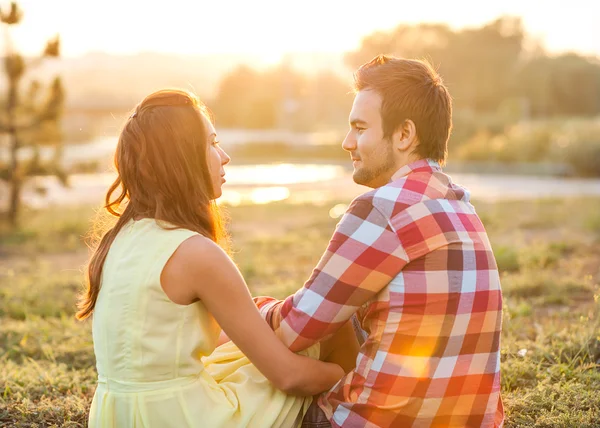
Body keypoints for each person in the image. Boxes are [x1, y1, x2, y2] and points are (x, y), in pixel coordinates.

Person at [76, 89, 359, 428]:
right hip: (185, 417)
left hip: (116, 415)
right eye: (211, 143)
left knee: (246, 355)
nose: (223, 156)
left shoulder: (118, 240)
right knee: (331, 331)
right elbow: (289, 377)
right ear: (181, 158)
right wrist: (346, 375)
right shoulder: (195, 252)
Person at [254, 55, 505, 428]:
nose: (346, 142)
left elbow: (294, 330)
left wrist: (252, 312)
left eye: (359, 128)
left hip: (377, 422)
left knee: (252, 394)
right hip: (471, 420)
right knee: (340, 310)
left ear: (404, 134)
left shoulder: (383, 207)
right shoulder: (461, 206)